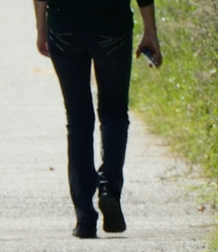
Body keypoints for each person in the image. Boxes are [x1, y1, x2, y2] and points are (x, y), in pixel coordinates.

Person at [33, 0, 161, 239]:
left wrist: (41, 28)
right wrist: (150, 30)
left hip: (64, 24)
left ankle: (84, 216)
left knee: (78, 118)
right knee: (114, 113)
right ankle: (109, 187)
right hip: (111, 24)